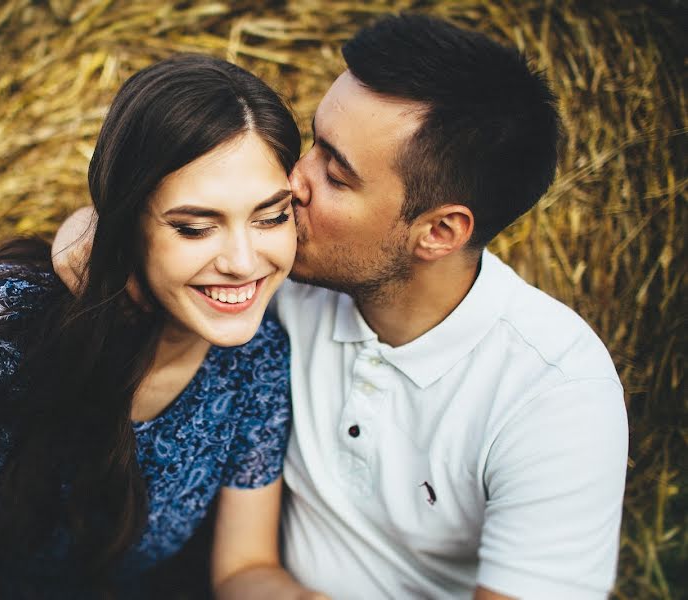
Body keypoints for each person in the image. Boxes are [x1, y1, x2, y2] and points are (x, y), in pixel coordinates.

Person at [52, 14, 629, 600]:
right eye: (312, 141)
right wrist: (97, 235)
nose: (292, 181)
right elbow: (166, 227)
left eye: (334, 172)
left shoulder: (556, 396)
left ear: (439, 232)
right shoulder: (276, 276)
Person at [0, 55, 327, 599]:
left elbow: (243, 569)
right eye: (193, 227)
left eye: (271, 216)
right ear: (124, 222)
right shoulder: (6, 320)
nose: (241, 260)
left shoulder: (258, 360)